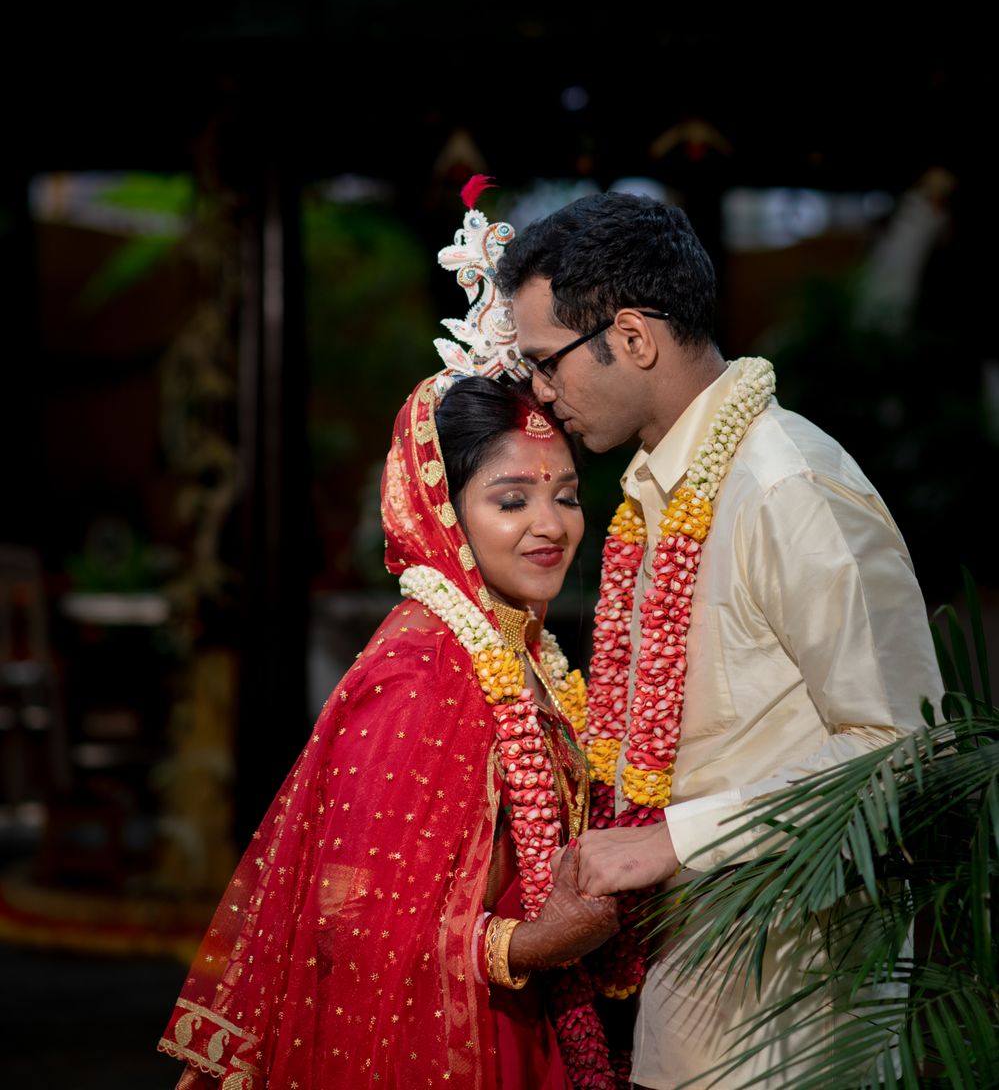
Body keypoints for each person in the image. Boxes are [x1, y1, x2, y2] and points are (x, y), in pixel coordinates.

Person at [158, 198, 623, 1089]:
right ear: (443, 510)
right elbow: (355, 923)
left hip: (526, 1025)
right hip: (452, 1038)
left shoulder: (515, 648)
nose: (551, 525)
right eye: (512, 499)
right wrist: (528, 943)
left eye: (565, 494)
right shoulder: (420, 670)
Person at [495, 191, 944, 1089]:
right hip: (688, 1002)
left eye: (546, 364)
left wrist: (672, 843)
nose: (539, 394)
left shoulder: (789, 488)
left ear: (632, 337)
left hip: (796, 1024)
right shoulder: (661, 494)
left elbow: (908, 755)